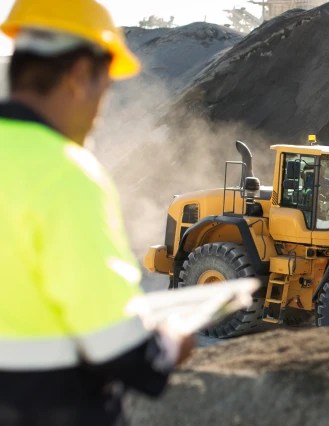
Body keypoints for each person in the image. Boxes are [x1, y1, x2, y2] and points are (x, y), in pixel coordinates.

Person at [0, 1, 193, 424]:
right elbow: (120, 349)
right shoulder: (65, 173)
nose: (100, 112)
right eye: (104, 91)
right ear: (78, 77)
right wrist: (170, 339)